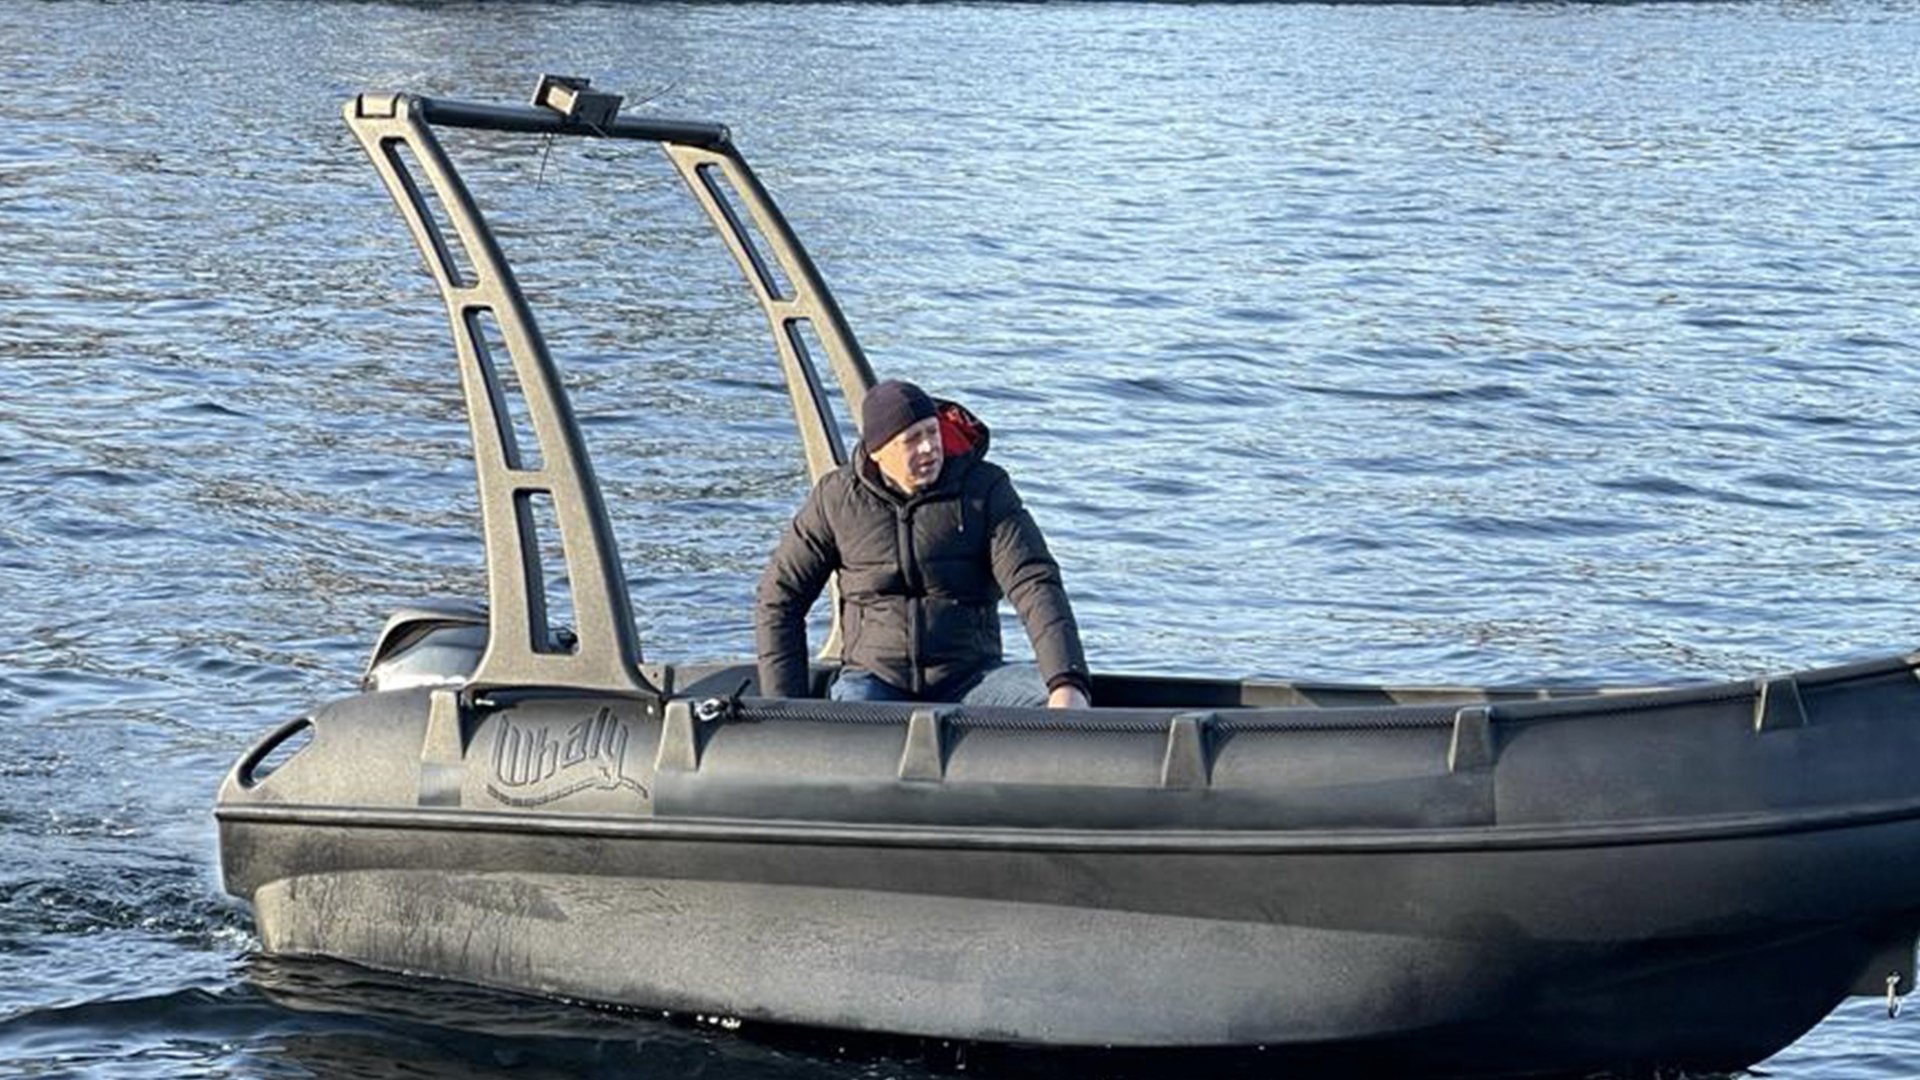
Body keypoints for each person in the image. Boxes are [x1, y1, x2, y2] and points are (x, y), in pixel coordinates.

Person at [756, 379, 1092, 709]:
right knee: (856, 722)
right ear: (878, 452)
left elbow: (1034, 583)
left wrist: (1066, 682)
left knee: (1045, 700)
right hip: (874, 680)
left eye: (932, 432)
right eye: (912, 440)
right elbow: (780, 597)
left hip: (973, 677)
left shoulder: (985, 489)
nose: (930, 448)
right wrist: (784, 706)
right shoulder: (837, 499)